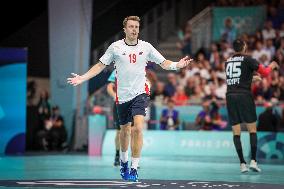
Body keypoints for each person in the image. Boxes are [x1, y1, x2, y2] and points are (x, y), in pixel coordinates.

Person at [67, 16, 193, 182]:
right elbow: (100, 65)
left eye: (137, 27)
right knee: (124, 131)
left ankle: (134, 168)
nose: (134, 29)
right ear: (125, 29)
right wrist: (83, 78)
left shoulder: (146, 47)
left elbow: (163, 62)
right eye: (131, 26)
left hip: (140, 93)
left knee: (138, 129)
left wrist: (177, 65)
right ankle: (124, 162)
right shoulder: (116, 47)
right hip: (122, 96)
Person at [225, 39, 278, 173]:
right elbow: (265, 73)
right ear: (243, 47)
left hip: (230, 96)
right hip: (244, 96)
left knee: (236, 132)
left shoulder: (228, 61)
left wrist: (252, 78)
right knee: (252, 130)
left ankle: (242, 164)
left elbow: (235, 80)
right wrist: (272, 65)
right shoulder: (248, 59)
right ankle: (253, 161)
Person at [107, 71, 121, 166]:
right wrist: (114, 96)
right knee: (119, 131)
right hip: (119, 103)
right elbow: (110, 86)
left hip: (133, 103)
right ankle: (117, 155)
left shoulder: (138, 67)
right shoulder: (116, 70)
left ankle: (134, 158)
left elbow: (146, 83)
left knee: (133, 131)